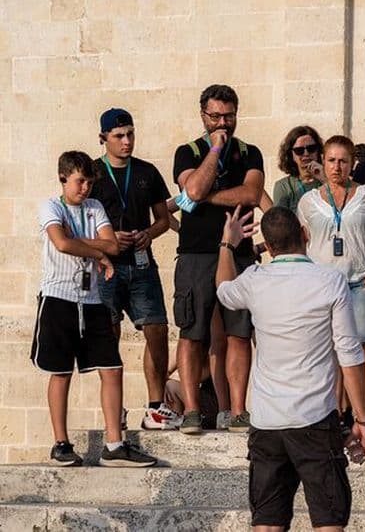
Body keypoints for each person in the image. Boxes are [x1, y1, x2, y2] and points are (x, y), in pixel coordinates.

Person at [216, 205, 365, 531]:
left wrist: (227, 245)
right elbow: (349, 354)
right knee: (329, 520)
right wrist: (362, 419)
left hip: (267, 421)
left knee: (267, 522)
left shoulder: (254, 279)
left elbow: (223, 289)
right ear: (304, 234)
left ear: (269, 246)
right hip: (315, 418)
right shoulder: (331, 281)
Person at [32, 150, 157, 467]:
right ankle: (61, 443)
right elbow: (61, 243)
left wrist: (89, 245)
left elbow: (113, 245)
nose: (85, 188)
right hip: (58, 296)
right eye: (79, 181)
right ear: (63, 179)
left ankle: (114, 444)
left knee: (112, 367)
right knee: (61, 371)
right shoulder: (51, 206)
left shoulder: (94, 207)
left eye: (88, 182)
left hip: (91, 299)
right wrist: (97, 251)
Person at [172, 84, 265, 434]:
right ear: (203, 116)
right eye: (215, 117)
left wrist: (204, 196)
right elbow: (192, 188)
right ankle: (192, 410)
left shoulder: (250, 153)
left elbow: (251, 193)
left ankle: (238, 410)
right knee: (192, 331)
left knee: (239, 332)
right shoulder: (187, 152)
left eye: (229, 116)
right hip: (196, 252)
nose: (223, 123)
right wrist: (214, 150)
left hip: (239, 252)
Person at [89, 108, 180, 430]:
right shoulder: (93, 174)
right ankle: (115, 408)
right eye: (119, 136)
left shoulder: (146, 171)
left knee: (156, 328)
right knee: (109, 334)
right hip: (106, 266)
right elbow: (79, 221)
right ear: (103, 139)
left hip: (141, 264)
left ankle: (156, 407)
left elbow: (163, 219)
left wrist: (148, 234)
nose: (126, 141)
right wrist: (107, 238)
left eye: (130, 134)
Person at [296, 135, 365, 428]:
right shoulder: (308, 201)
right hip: (323, 283)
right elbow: (303, 243)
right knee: (330, 346)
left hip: (359, 279)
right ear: (322, 162)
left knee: (364, 342)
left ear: (352, 164)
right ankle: (336, 409)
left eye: (343, 161)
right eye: (331, 160)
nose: (337, 167)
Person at [272, 125, 325, 213]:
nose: (306, 153)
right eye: (299, 150)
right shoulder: (284, 186)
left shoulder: (329, 180)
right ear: (291, 155)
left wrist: (325, 179)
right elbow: (280, 219)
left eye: (311, 148)